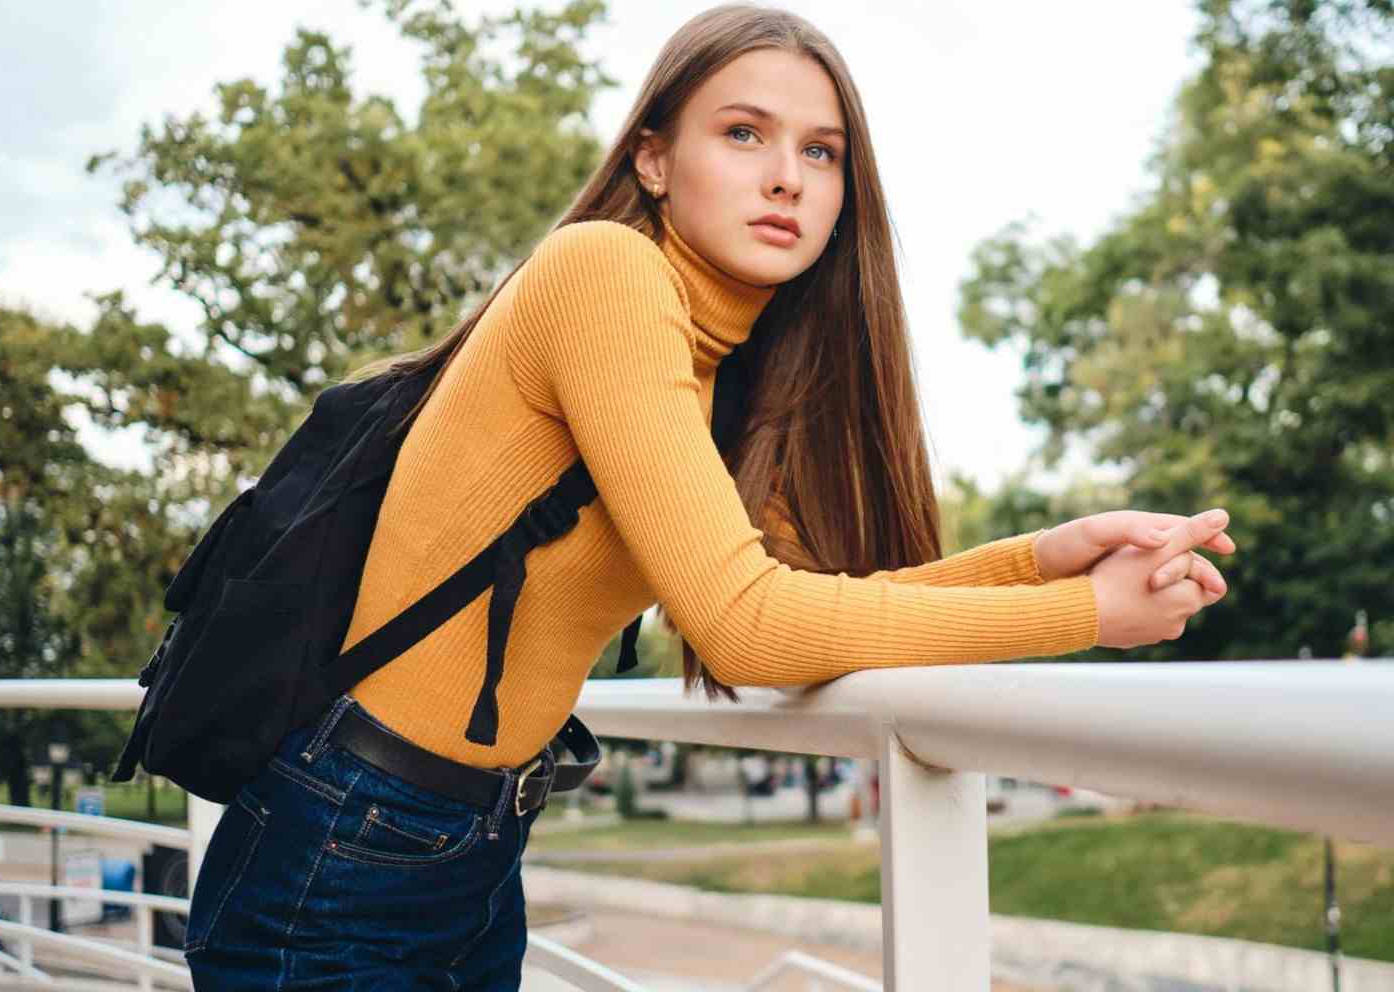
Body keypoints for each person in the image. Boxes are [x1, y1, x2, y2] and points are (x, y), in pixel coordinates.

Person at [182, 4, 1234, 988]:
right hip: (347, 843)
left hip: (467, 847)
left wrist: (1039, 558)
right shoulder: (608, 274)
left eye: (820, 152)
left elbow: (817, 598)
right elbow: (745, 629)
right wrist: (1087, 615)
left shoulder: (721, 375)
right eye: (744, 134)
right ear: (653, 157)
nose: (787, 177)